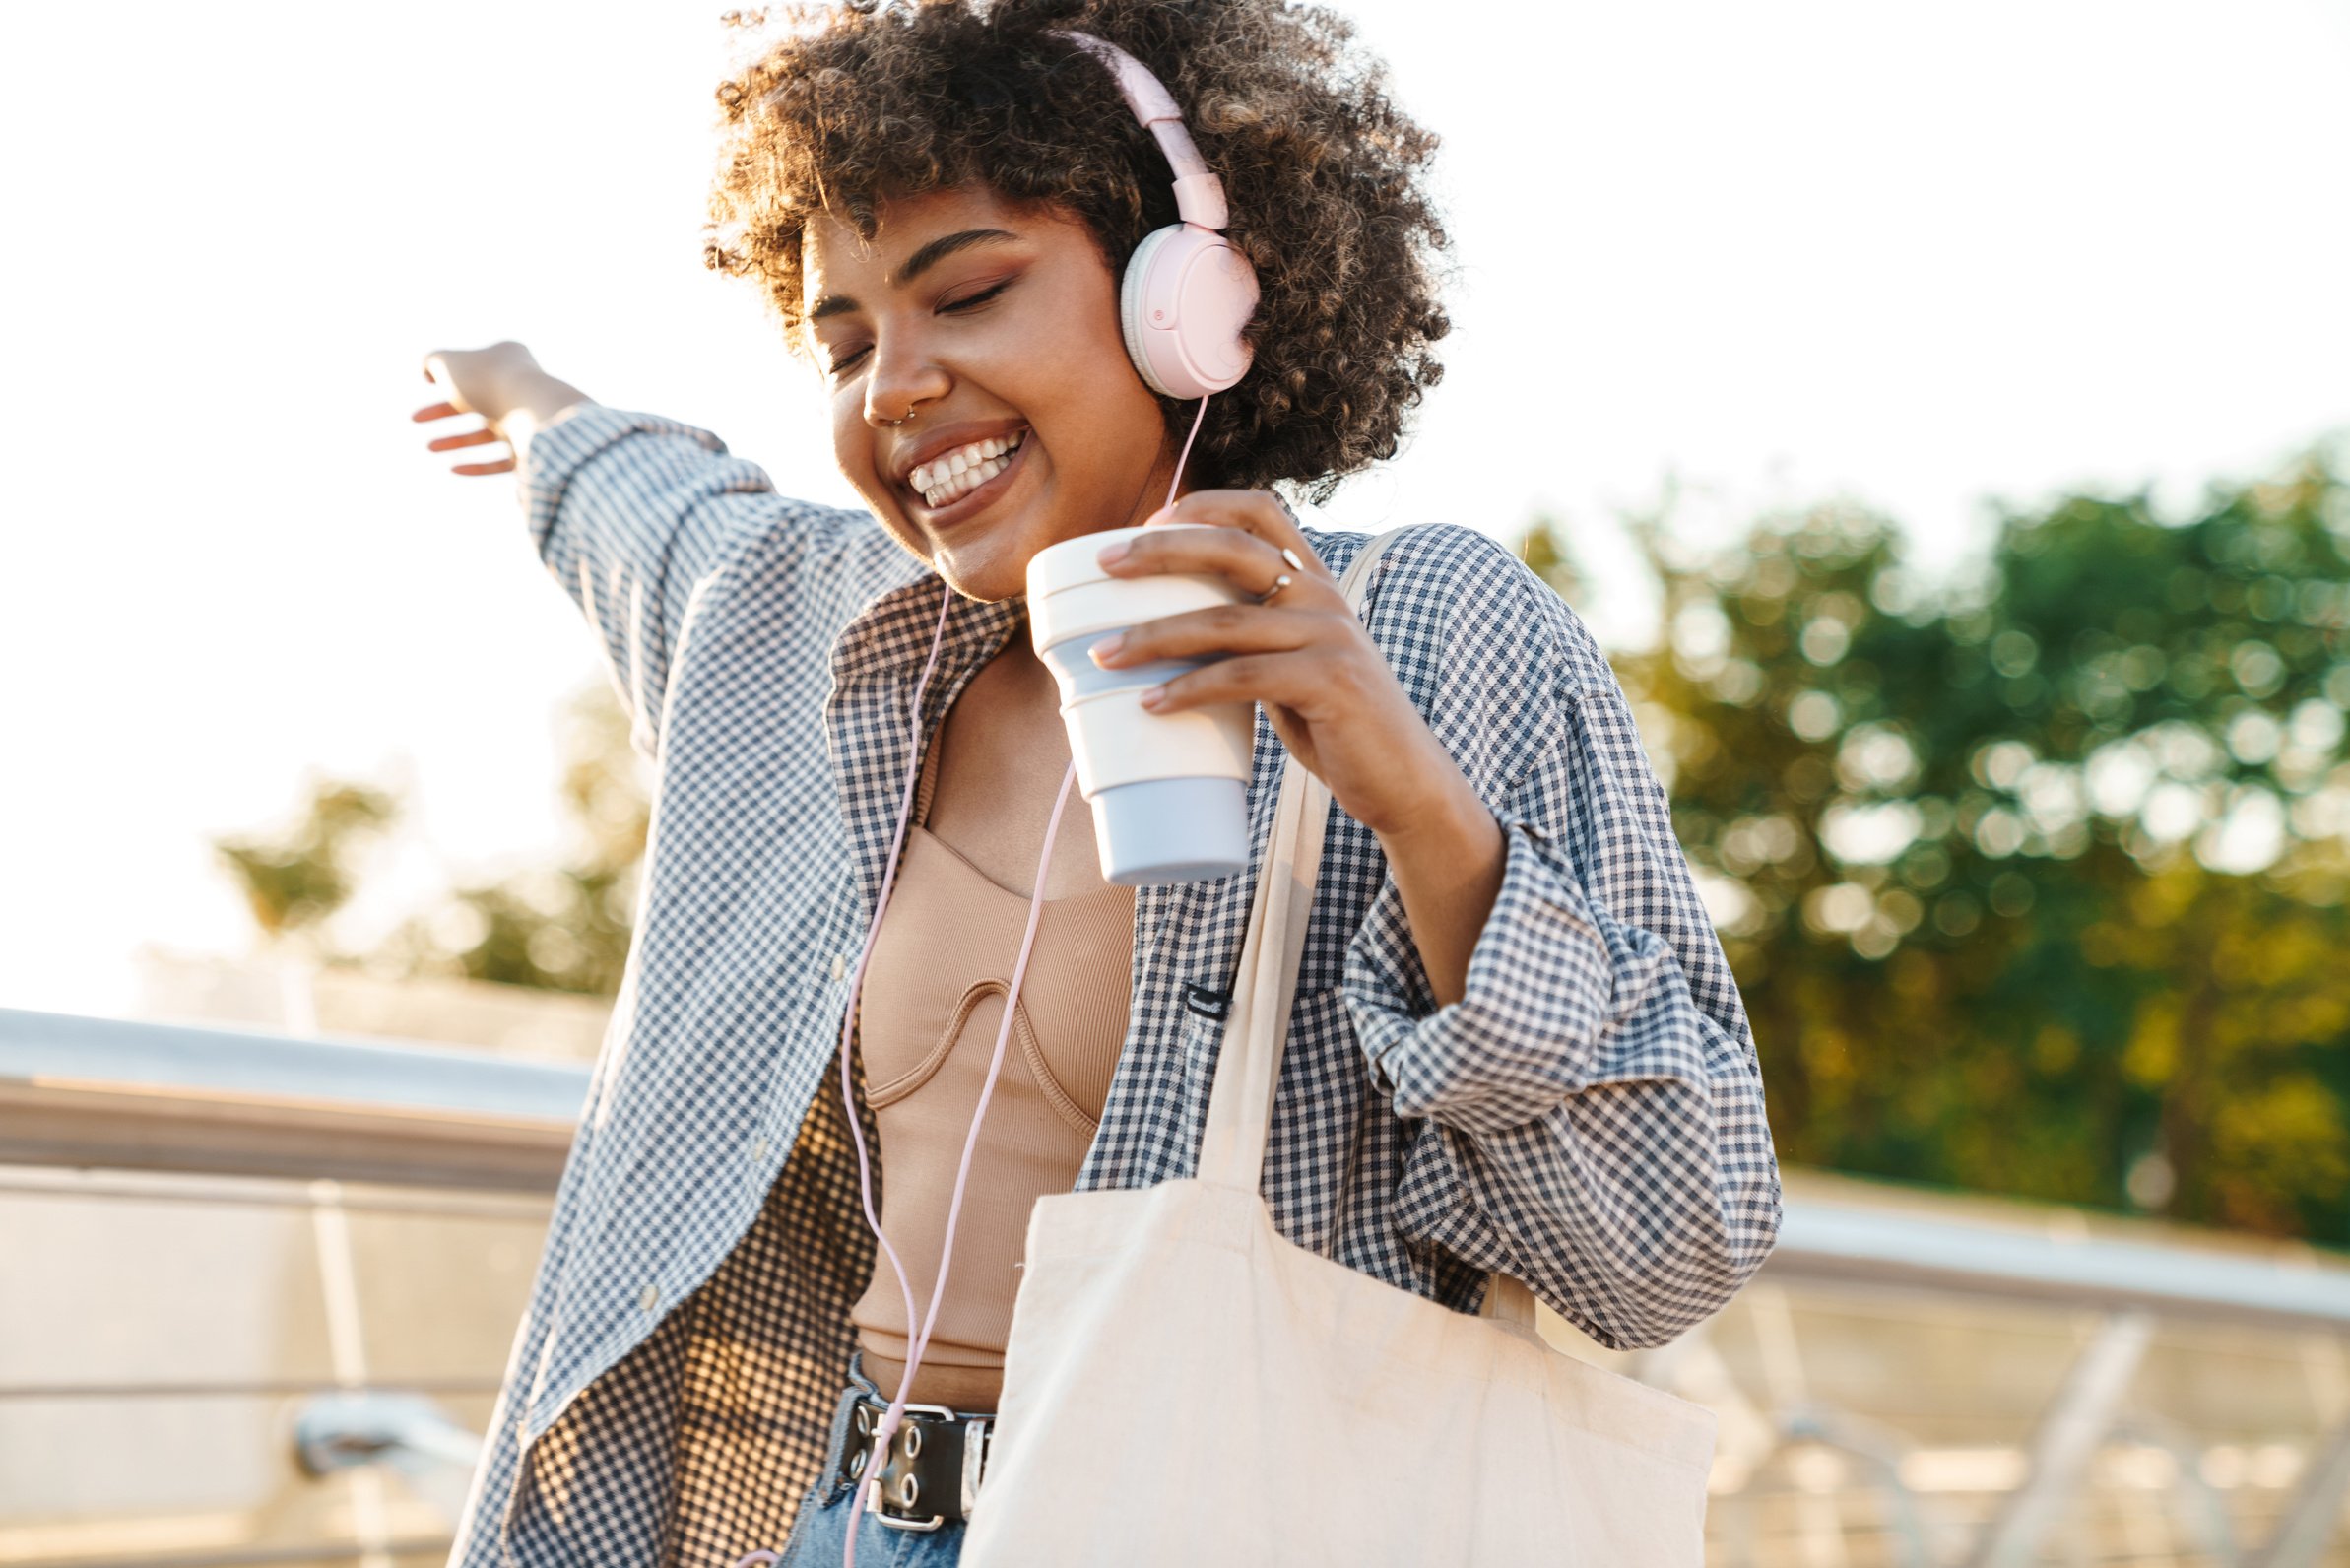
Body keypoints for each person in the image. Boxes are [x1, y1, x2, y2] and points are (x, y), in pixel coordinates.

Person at [417, 4, 1781, 1563]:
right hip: (856, 1525)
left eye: (972, 293)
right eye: (845, 341)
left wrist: (1416, 807)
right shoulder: (797, 629)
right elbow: (640, 501)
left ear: (1182, 302)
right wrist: (521, 394)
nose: (893, 388)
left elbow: (1669, 1252)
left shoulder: (1429, 630)